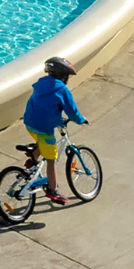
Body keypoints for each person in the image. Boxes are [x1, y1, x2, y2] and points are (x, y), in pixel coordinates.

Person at [24, 56, 88, 204]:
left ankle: (32, 159)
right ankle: (52, 191)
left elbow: (43, 107)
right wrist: (81, 120)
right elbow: (72, 111)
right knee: (51, 159)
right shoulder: (62, 90)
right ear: (63, 76)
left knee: (42, 141)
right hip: (43, 128)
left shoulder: (40, 85)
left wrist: (57, 120)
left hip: (30, 124)